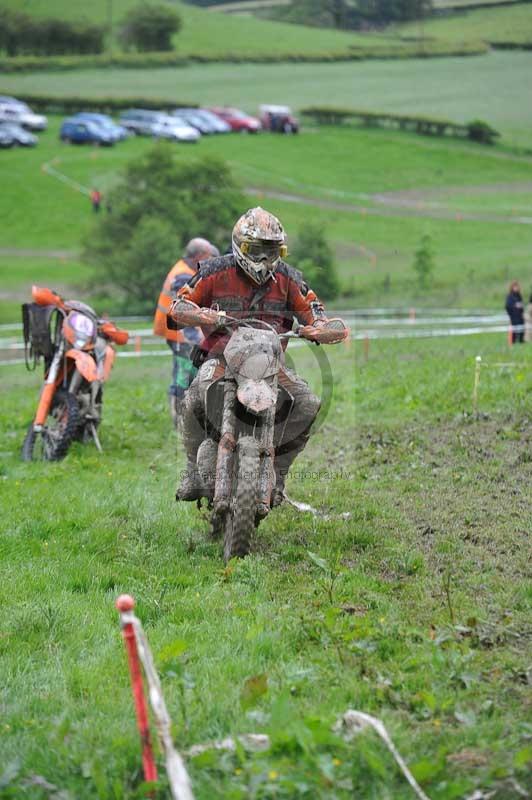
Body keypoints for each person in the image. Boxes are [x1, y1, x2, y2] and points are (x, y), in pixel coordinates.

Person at [169, 206, 348, 506]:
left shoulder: (290, 279)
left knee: (307, 404)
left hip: (268, 364)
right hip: (221, 359)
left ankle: (277, 471)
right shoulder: (214, 270)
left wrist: (318, 329)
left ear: (281, 250)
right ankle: (193, 471)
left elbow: (315, 313)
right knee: (193, 398)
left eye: (271, 250)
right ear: (240, 245)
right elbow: (178, 306)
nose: (264, 259)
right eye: (256, 249)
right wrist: (203, 315)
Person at [153, 238, 219, 426]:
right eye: (208, 257)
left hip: (176, 332)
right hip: (180, 334)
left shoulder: (186, 270)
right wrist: (197, 340)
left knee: (182, 373)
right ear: (199, 256)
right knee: (184, 376)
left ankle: (182, 417)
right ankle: (181, 419)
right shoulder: (183, 275)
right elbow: (183, 312)